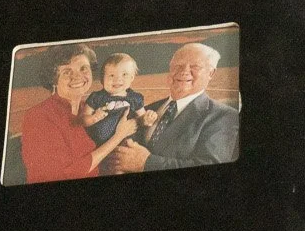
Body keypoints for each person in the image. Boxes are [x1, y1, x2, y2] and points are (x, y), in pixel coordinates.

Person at [112, 41, 239, 173]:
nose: (184, 71)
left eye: (195, 66)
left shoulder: (225, 116)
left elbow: (211, 166)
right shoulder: (147, 109)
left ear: (211, 73)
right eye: (178, 65)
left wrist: (147, 163)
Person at [19, 45, 139, 184]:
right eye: (67, 72)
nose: (77, 76)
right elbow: (64, 174)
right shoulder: (38, 116)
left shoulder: (90, 109)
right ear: (54, 79)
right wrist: (118, 136)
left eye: (83, 68)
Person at [82, 52, 146, 174]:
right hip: (100, 145)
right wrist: (94, 117)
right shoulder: (97, 98)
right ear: (102, 79)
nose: (117, 79)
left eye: (124, 74)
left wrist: (148, 118)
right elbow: (83, 119)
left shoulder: (134, 98)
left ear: (132, 77)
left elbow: (143, 118)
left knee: (120, 167)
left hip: (126, 144)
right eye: (111, 75)